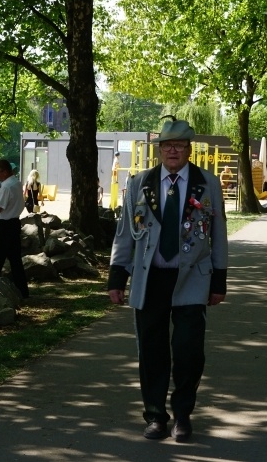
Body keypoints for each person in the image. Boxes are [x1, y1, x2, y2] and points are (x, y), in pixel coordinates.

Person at [108, 118, 228, 442]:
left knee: (189, 352)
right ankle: (156, 416)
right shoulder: (140, 182)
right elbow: (125, 234)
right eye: (167, 146)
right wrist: (117, 276)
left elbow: (218, 233)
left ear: (189, 150)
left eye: (179, 146)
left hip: (192, 278)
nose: (173, 151)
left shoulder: (207, 183)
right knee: (151, 351)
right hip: (151, 279)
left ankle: (183, 415)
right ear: (159, 150)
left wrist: (219, 280)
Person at [0, 160, 30, 298]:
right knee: (15, 260)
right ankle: (22, 290)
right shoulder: (15, 182)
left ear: (5, 172)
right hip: (14, 224)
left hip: (3, 226)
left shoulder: (7, 187)